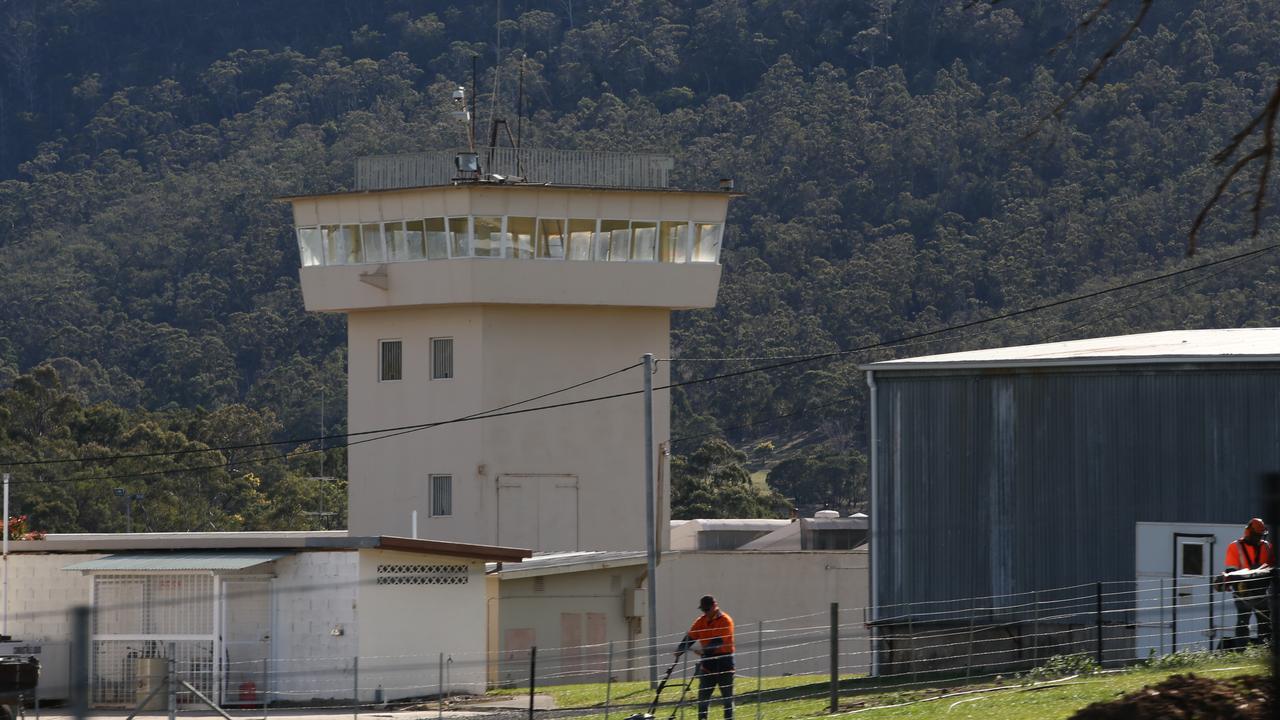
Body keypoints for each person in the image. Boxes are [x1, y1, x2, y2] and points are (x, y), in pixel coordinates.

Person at [677, 595, 735, 720]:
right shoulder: (701, 621)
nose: (705, 612)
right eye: (703, 610)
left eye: (707, 609)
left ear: (715, 606)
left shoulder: (725, 620)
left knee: (727, 700)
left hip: (724, 663)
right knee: (703, 699)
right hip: (708, 665)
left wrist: (703, 652)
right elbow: (691, 637)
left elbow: (718, 642)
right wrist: (680, 649)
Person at [1222, 517, 1272, 643]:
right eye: (1257, 535)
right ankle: (1240, 649)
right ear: (1249, 532)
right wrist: (1240, 589)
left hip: (1262, 590)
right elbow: (1231, 572)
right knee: (1243, 621)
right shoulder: (1235, 547)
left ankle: (1264, 648)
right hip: (1242, 591)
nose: (1259, 538)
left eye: (1261, 535)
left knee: (1265, 622)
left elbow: (1272, 569)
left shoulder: (1266, 547)